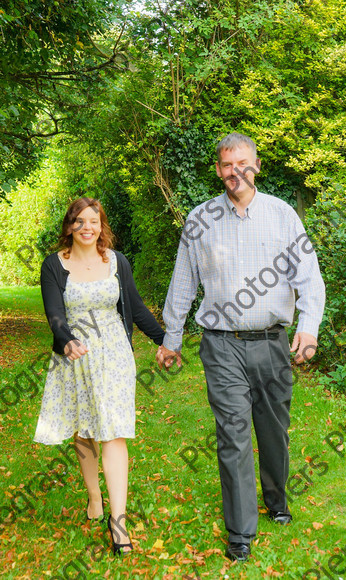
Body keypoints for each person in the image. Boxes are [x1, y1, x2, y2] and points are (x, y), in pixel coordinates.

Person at [156, 133, 325, 562]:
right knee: (232, 432)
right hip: (221, 344)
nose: (236, 172)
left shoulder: (283, 215)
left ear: (257, 164)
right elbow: (182, 284)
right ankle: (241, 531)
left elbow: (309, 276)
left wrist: (308, 327)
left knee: (272, 431)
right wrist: (171, 339)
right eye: (228, 165)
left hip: (272, 342)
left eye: (243, 163)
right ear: (218, 169)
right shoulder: (199, 220)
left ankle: (276, 497)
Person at [34, 197, 165, 555]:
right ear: (69, 227)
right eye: (80, 221)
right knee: (85, 428)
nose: (87, 227)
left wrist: (165, 341)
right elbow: (54, 314)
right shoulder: (54, 265)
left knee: (114, 430)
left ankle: (118, 522)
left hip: (116, 356)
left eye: (94, 220)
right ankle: (95, 496)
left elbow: (135, 307)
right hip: (76, 357)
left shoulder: (117, 262)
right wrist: (66, 341)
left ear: (101, 225)